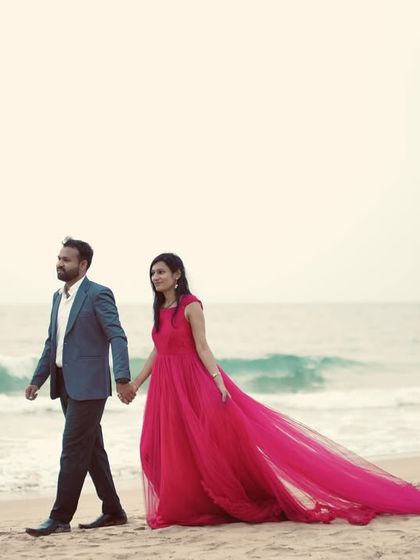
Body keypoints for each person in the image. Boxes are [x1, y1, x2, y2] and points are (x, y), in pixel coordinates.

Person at [131, 252, 420, 529]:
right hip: (166, 389)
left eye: (161, 272)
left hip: (193, 382)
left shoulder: (191, 305)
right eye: (152, 273)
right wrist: (136, 383)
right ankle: (188, 503)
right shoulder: (160, 308)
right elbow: (160, 350)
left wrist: (217, 381)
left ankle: (214, 503)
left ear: (177, 274)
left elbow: (202, 347)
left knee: (208, 446)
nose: (155, 277)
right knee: (154, 448)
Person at [24, 237, 136, 537]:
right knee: (92, 450)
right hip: (65, 385)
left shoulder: (98, 295)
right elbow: (53, 343)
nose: (60, 263)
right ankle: (113, 510)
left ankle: (60, 517)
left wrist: (122, 378)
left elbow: (117, 336)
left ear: (82, 264)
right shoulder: (56, 298)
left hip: (90, 387)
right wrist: (38, 379)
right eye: (59, 258)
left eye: (66, 259)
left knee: (72, 448)